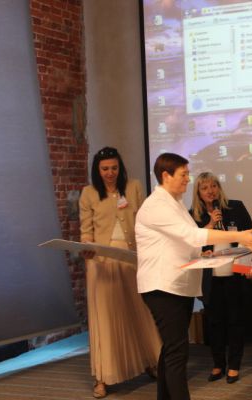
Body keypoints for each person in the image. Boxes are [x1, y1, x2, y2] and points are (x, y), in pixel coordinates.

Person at [136, 153, 252, 400]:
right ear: (166, 176)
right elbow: (193, 236)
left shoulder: (174, 203)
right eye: (183, 174)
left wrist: (206, 254)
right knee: (177, 353)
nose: (188, 179)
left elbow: (187, 243)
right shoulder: (157, 205)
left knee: (171, 350)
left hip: (178, 286)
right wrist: (240, 236)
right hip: (163, 287)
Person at [79, 147, 161, 399]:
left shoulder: (133, 187)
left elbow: (145, 222)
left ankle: (150, 361)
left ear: (120, 168)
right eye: (105, 169)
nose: (110, 173)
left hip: (130, 259)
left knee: (138, 310)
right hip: (100, 262)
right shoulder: (89, 193)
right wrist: (86, 247)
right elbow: (86, 231)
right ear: (97, 170)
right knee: (104, 317)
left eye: (114, 168)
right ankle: (102, 377)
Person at [189, 172, 252, 384]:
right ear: (198, 193)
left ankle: (234, 365)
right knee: (214, 323)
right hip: (210, 279)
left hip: (234, 275)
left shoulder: (235, 207)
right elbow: (190, 245)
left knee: (235, 321)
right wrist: (205, 239)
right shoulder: (193, 216)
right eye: (204, 188)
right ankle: (218, 364)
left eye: (213, 186)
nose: (210, 191)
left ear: (219, 188)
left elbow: (250, 237)